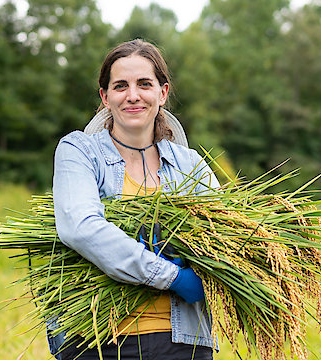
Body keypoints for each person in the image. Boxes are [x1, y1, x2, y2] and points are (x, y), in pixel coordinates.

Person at [50, 39, 220, 359]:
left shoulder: (191, 165)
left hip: (182, 341)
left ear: (162, 93)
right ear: (105, 97)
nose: (133, 95)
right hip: (99, 340)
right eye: (120, 86)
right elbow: (81, 227)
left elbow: (224, 237)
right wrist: (172, 277)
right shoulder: (79, 152)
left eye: (144, 84)